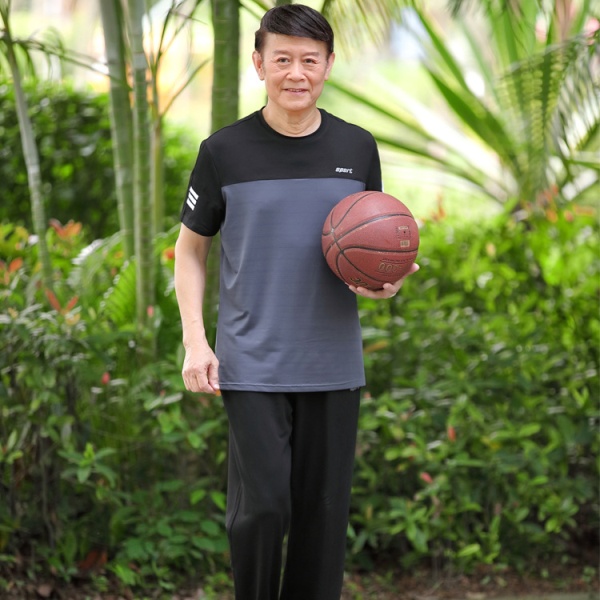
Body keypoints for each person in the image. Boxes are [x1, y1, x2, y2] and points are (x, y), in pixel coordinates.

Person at [174, 5, 419, 599]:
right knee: (262, 507)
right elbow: (189, 250)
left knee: (322, 520)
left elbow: (373, 243)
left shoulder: (357, 147)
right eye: (282, 59)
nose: (296, 73)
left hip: (333, 364)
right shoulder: (223, 151)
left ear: (328, 65)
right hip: (251, 363)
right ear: (259, 64)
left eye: (309, 60)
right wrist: (195, 342)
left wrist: (387, 283)